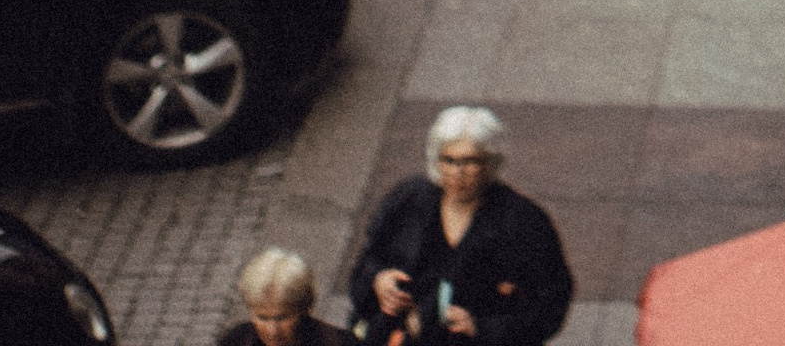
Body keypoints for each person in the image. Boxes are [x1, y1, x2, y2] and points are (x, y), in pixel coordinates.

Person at [349, 107, 571, 346]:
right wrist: (378, 280)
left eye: (470, 161)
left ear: (490, 162)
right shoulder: (408, 200)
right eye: (449, 160)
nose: (458, 172)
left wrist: (483, 328)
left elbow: (552, 301)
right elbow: (367, 263)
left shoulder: (523, 221)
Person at [212, 243, 348, 346]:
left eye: (282, 318)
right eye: (262, 318)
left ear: (304, 309)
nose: (272, 331)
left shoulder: (339, 342)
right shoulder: (236, 340)